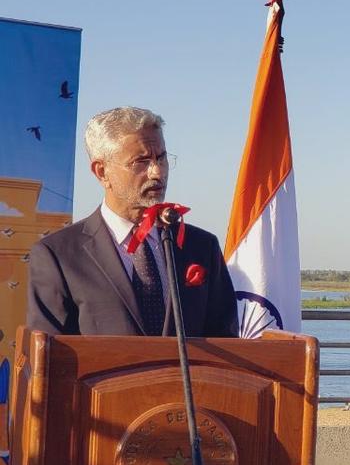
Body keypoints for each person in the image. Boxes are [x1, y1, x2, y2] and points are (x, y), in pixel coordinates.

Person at [26, 107, 237, 337]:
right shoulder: (58, 255)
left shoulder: (201, 247)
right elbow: (48, 352)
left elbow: (227, 341)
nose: (157, 172)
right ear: (101, 172)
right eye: (141, 162)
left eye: (161, 158)